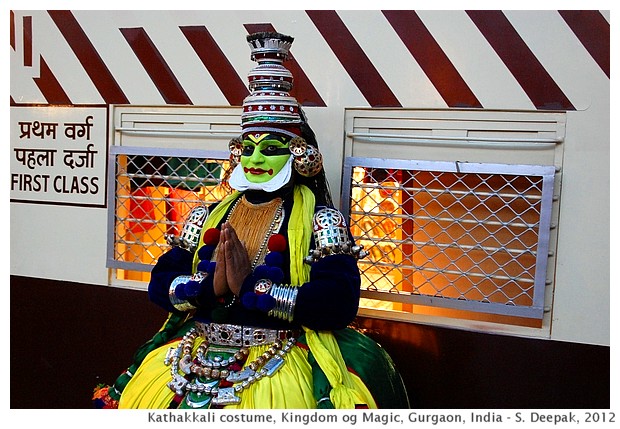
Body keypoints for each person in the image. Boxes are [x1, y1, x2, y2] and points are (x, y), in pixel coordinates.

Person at [93, 31, 408, 409]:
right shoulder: (207, 216)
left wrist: (257, 290)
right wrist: (206, 288)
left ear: (300, 155)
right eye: (249, 148)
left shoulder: (322, 221)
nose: (256, 160)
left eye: (271, 149)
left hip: (280, 357)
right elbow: (160, 283)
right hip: (196, 351)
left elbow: (338, 303)